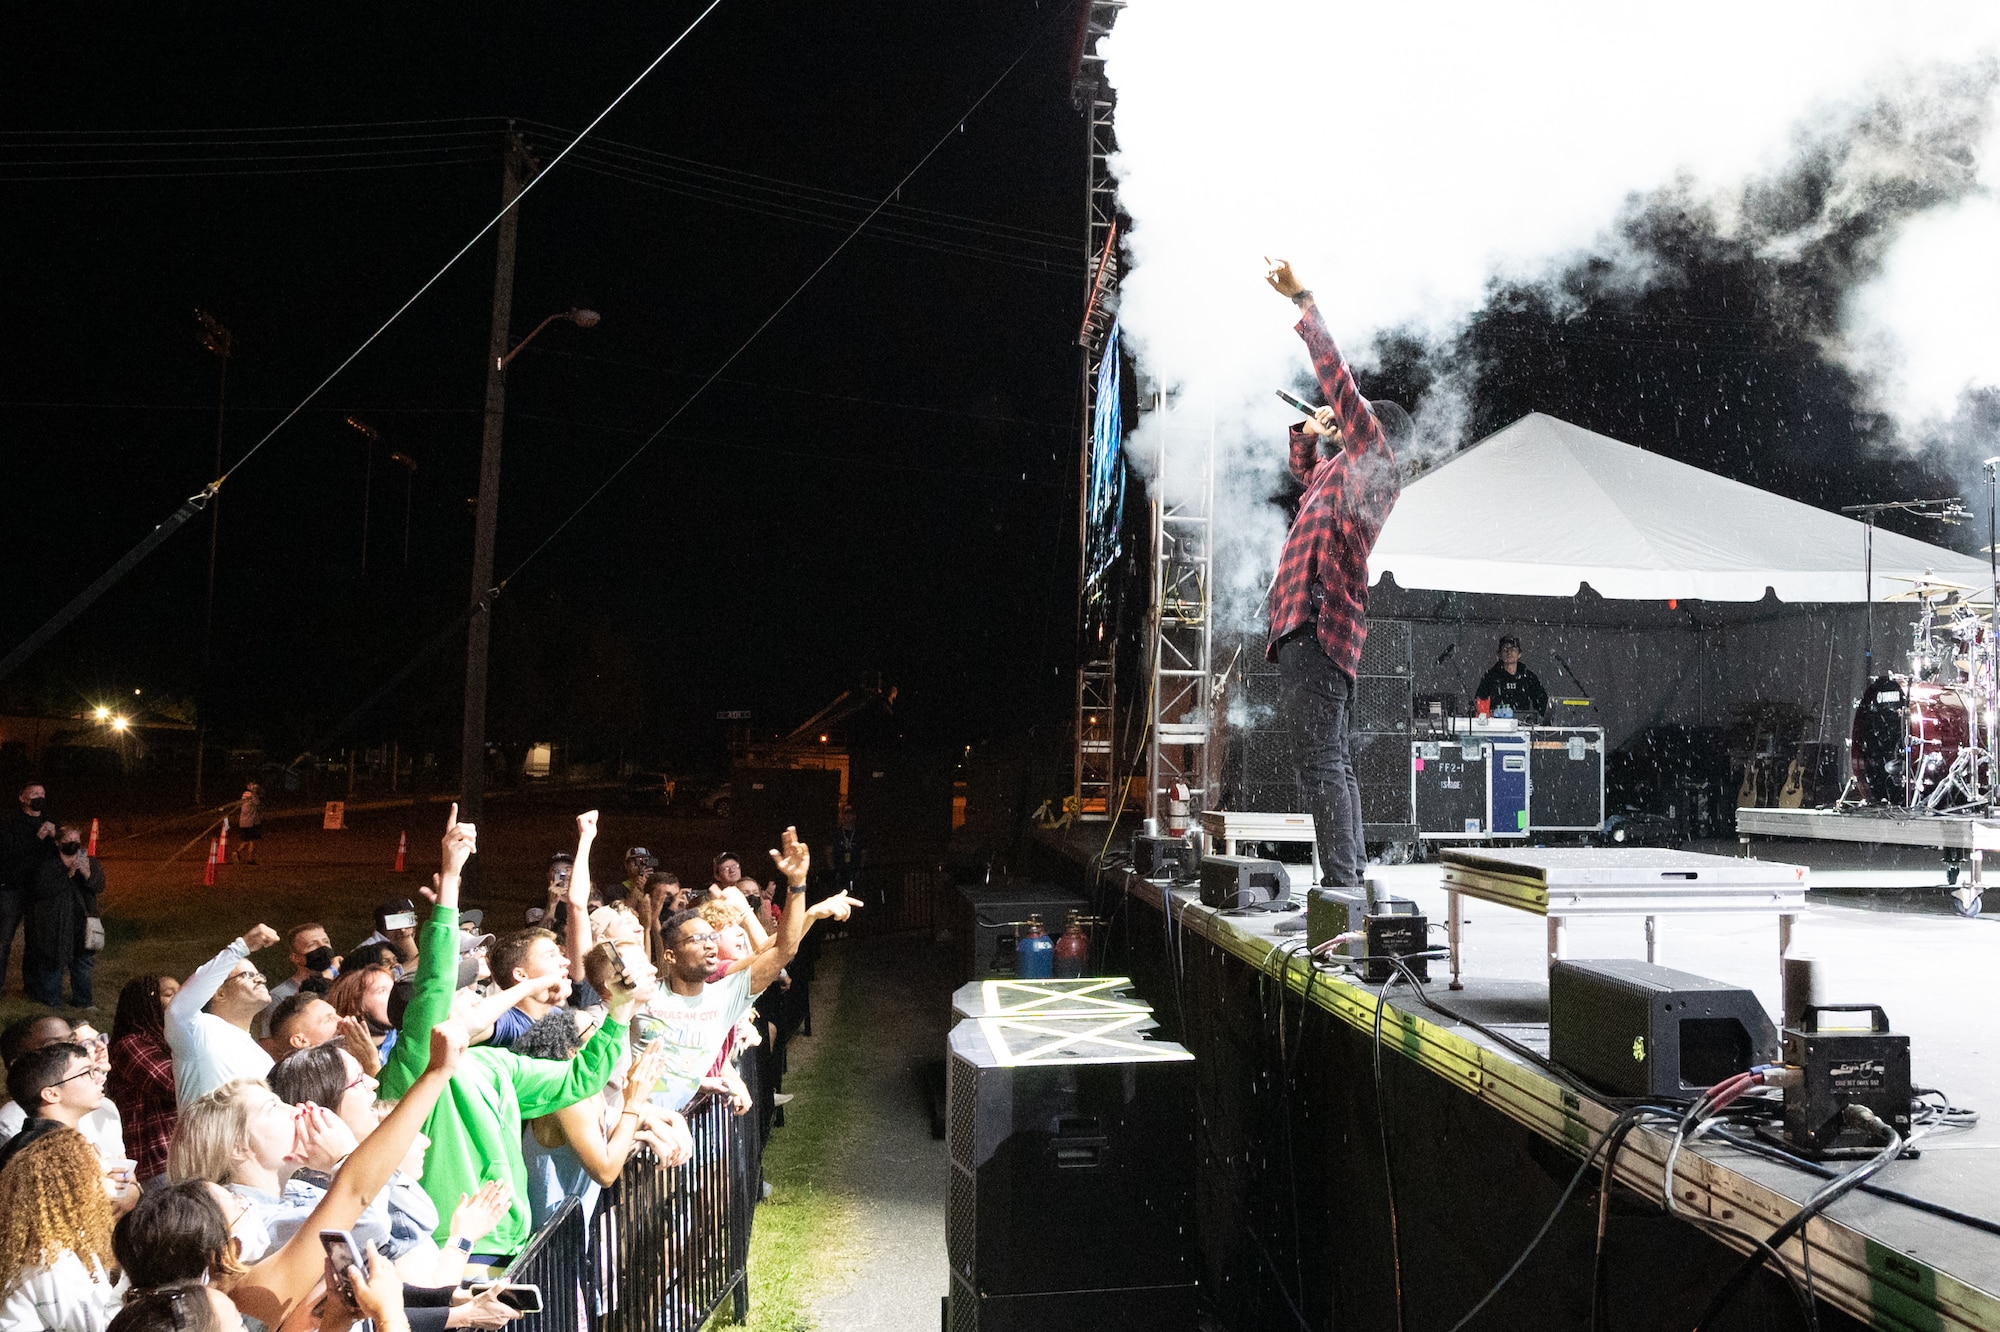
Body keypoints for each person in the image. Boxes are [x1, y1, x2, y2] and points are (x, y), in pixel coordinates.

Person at [378, 806, 645, 1259]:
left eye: (473, 991)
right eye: (466, 993)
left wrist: (620, 1011)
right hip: (447, 1248)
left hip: (510, 1243)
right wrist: (451, 879)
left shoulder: (497, 1064)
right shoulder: (417, 1065)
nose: (474, 996)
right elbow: (435, 981)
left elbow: (579, 1080)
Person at [115, 1021, 465, 1331]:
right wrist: (435, 1073)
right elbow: (361, 1207)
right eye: (273, 1106)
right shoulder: (258, 1236)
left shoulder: (294, 1190)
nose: (297, 1108)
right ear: (238, 1146)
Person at [1262, 258, 1407, 889]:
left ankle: (1343, 886)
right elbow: (1303, 473)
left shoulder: (1376, 464)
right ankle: (1351, 877)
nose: (1343, 425)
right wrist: (1307, 431)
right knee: (1332, 759)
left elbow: (1343, 387)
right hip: (1307, 627)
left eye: (1349, 426)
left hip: (1321, 630)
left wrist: (1305, 303)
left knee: (1321, 760)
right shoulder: (1337, 473)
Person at [647, 828, 857, 1111]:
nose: (710, 945)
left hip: (708, 1132)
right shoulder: (643, 999)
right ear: (671, 956)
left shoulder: (724, 995)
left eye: (712, 936)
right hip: (645, 1139)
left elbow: (782, 949)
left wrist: (796, 885)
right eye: (698, 939)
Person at [517, 942, 691, 1230]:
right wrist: (634, 1103)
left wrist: (655, 1127)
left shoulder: (587, 1092)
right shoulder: (566, 1096)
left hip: (569, 1233)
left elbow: (609, 1125)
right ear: (571, 1049)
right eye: (592, 1035)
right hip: (547, 1244)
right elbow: (605, 1171)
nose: (601, 1042)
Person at [0, 1128, 126, 1331]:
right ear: (72, 1178)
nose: (106, 1155)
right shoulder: (47, 1260)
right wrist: (136, 1272)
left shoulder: (74, 1242)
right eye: (91, 1150)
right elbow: (99, 1328)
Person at [165, 926, 279, 1104]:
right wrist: (242, 947)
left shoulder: (263, 1058)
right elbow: (178, 1009)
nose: (260, 979)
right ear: (219, 993)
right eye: (247, 975)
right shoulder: (198, 1032)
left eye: (259, 974)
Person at [0, 1018, 125, 1168]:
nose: (70, 1049)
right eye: (54, 1046)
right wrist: (102, 1184)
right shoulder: (32, 1150)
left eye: (72, 1041)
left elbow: (127, 1177)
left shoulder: (101, 1107)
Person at [105, 977, 178, 1189]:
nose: (180, 999)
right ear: (145, 1004)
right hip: (159, 1162)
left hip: (183, 1156)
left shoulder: (167, 1043)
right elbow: (174, 1084)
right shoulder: (131, 1044)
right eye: (168, 993)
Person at [25, 826, 102, 1009]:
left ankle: (83, 1002)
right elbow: (43, 889)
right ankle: (52, 1001)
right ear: (59, 843)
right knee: (53, 960)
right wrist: (67, 874)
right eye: (69, 840)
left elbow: (98, 886)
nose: (73, 844)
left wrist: (86, 874)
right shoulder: (48, 864)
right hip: (55, 921)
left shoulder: (88, 861)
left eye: (77, 840)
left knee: (82, 961)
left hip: (82, 921)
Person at [0, 783, 59, 999]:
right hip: (14, 889)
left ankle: (32, 986)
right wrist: (37, 839)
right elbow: (9, 854)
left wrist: (55, 838)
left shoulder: (50, 822)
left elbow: (60, 855)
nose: (39, 797)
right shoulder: (11, 824)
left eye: (42, 793)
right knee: (4, 939)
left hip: (39, 890)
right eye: (34, 794)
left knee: (35, 941)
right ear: (22, 798)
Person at [257, 923, 332, 1037]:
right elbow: (269, 1043)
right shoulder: (279, 996)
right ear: (295, 957)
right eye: (312, 944)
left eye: (326, 942)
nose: (323, 948)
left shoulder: (338, 984)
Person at [326, 965, 398, 1062]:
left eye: (394, 988)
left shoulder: (409, 1038)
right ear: (356, 1005)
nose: (395, 995)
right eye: (382, 991)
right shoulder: (341, 1060)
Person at [1473, 634, 1549, 719]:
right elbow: (1480, 702)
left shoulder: (1528, 676)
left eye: (1513, 649)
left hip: (1521, 727)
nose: (1509, 653)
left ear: (1519, 654)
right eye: (1505, 649)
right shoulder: (1490, 676)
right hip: (1495, 726)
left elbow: (1542, 703)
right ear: (1499, 654)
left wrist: (1547, 718)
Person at [355, 900, 420, 976]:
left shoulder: (401, 944)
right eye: (401, 921)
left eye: (411, 920)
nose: (410, 928)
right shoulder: (366, 950)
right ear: (385, 924)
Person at [232, 783, 261, 865]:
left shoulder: (244, 794)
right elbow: (257, 802)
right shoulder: (252, 795)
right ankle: (250, 859)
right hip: (251, 822)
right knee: (252, 841)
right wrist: (254, 792)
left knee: (246, 840)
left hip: (243, 822)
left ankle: (236, 852)